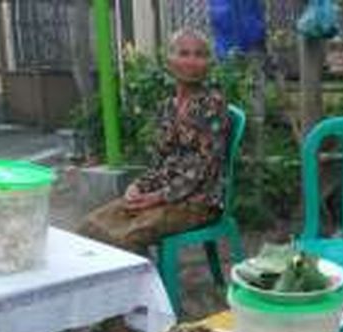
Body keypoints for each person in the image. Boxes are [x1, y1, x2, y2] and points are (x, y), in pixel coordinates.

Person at [80, 28, 230, 255]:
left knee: (126, 238)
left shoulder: (212, 105)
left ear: (209, 62)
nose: (192, 61)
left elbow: (204, 170)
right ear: (169, 61)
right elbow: (160, 163)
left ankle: (148, 290)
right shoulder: (167, 107)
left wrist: (157, 197)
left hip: (199, 202)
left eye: (200, 54)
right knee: (90, 227)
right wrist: (138, 187)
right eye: (184, 53)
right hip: (164, 195)